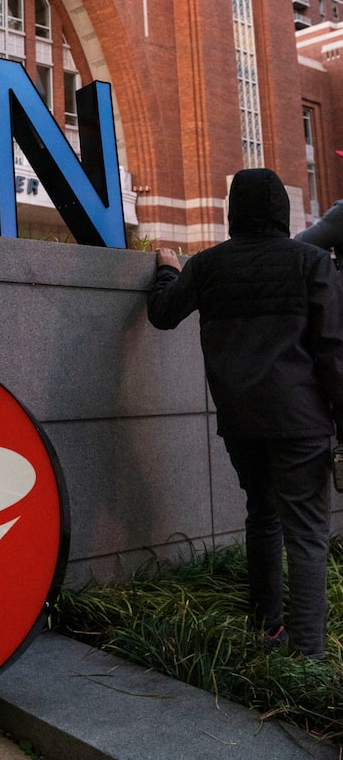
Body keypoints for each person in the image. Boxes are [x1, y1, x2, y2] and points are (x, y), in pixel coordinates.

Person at [147, 167, 343, 659]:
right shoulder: (312, 262)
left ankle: (268, 627)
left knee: (263, 514)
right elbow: (333, 351)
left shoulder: (210, 265)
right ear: (281, 211)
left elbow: (163, 313)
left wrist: (169, 267)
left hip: (241, 419)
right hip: (303, 421)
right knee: (307, 532)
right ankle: (307, 654)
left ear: (233, 211)